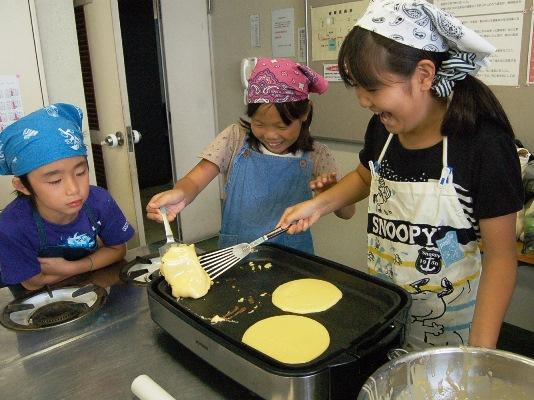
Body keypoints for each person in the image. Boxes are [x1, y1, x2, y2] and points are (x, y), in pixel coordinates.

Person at [278, 0, 523, 349]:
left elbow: (501, 259)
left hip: (452, 330)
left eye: (372, 88)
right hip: (388, 308)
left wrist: (479, 353)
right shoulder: (384, 128)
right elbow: (366, 177)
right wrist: (318, 205)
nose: (363, 101)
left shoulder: (482, 143)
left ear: (423, 75)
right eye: (356, 87)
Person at [146, 58, 354, 254]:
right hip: (234, 255)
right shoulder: (234, 138)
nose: (270, 135)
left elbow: (347, 213)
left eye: (282, 126)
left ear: (305, 112)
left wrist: (331, 193)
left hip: (293, 258)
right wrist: (180, 193)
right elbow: (194, 180)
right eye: (259, 124)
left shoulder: (318, 155)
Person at [0, 103, 135, 291]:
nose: (73, 189)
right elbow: (33, 283)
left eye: (80, 172)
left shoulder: (99, 201)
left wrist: (70, 268)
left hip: (90, 286)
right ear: (23, 186)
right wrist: (95, 261)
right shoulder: (11, 226)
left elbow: (118, 250)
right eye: (55, 181)